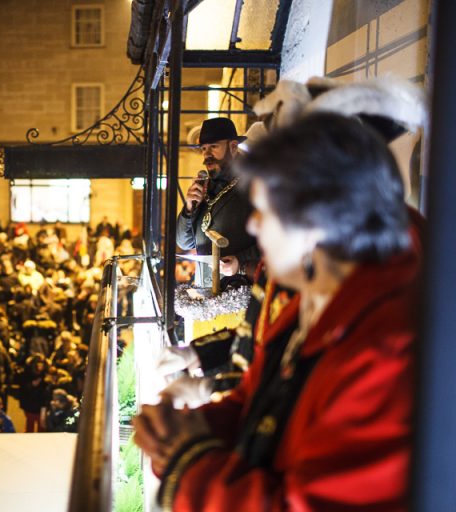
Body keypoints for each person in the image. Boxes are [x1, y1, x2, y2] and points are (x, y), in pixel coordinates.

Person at [134, 113, 420, 511]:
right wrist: (190, 430)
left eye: (265, 209)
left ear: (314, 218)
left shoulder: (389, 349)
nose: (254, 224)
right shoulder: (318, 296)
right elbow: (263, 393)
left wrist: (189, 458)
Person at [175, 117, 257, 285]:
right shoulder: (204, 187)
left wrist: (240, 261)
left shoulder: (252, 183)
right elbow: (184, 242)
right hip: (207, 291)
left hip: (241, 290)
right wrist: (189, 208)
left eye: (214, 146)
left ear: (233, 147)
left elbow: (274, 236)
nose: (207, 154)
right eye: (204, 148)